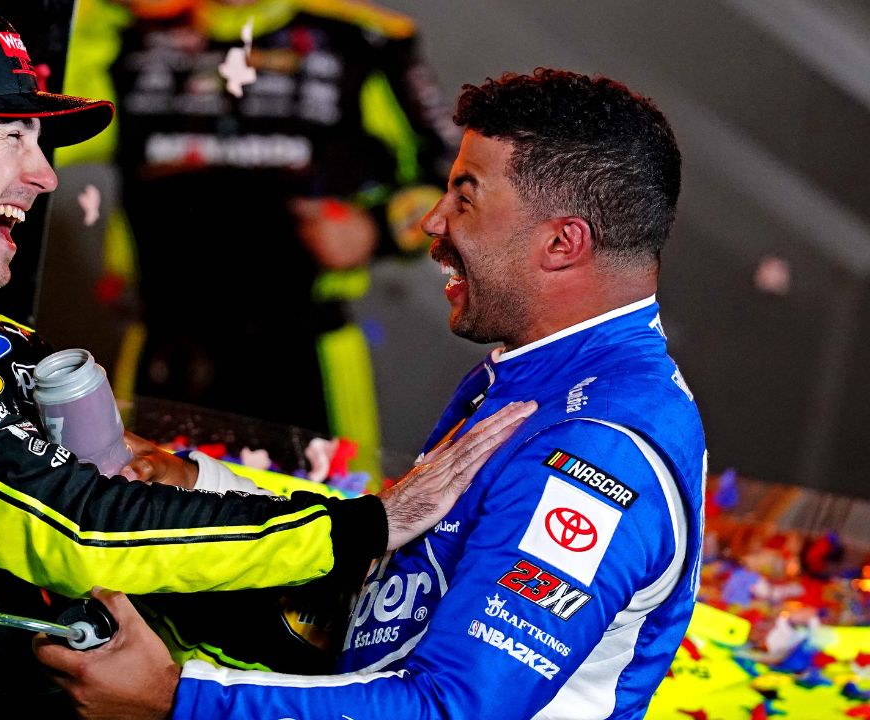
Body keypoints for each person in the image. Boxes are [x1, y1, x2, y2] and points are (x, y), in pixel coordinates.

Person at [0, 6, 532, 717]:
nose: (43, 175)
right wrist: (366, 526)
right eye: (14, 136)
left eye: (39, 141)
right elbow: (80, 525)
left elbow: (131, 497)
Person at [36, 68, 707, 720]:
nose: (432, 223)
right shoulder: (542, 375)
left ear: (563, 243)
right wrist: (198, 481)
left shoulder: (595, 449)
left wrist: (175, 700)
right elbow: (407, 547)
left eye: (465, 197)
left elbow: (453, 711)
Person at [58, 0, 455, 473]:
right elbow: (47, 134)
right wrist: (105, 11)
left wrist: (378, 230)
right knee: (143, 523)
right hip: (166, 343)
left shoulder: (360, 40)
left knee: (327, 524)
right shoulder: (127, 33)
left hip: (304, 350)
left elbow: (452, 178)